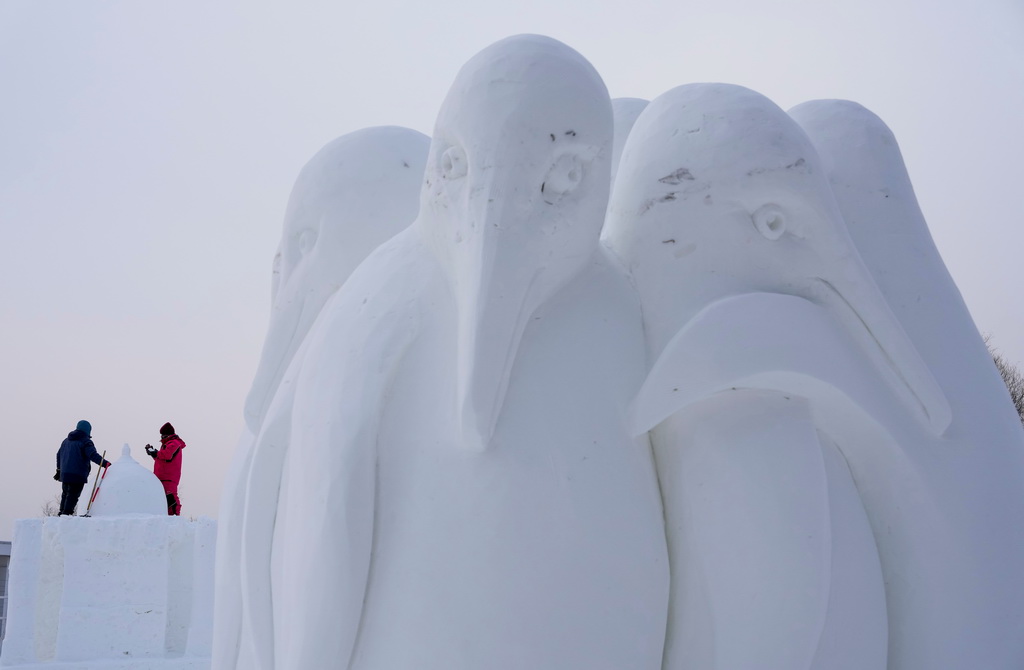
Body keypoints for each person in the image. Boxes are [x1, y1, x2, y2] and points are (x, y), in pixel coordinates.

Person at [54, 420, 111, 516]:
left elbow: (59, 455)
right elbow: (92, 455)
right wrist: (106, 464)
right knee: (73, 495)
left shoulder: (66, 441)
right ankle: (66, 515)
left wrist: (59, 470)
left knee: (65, 494)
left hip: (65, 474)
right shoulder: (85, 441)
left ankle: (61, 514)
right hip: (77, 474)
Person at [145, 422, 186, 515]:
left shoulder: (174, 443)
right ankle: (167, 518)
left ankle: (176, 518)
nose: (162, 437)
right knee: (164, 500)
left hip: (169, 477)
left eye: (163, 435)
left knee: (171, 498)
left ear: (168, 434)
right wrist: (153, 453)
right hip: (161, 477)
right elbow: (161, 459)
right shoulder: (167, 443)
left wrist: (155, 452)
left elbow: (167, 455)